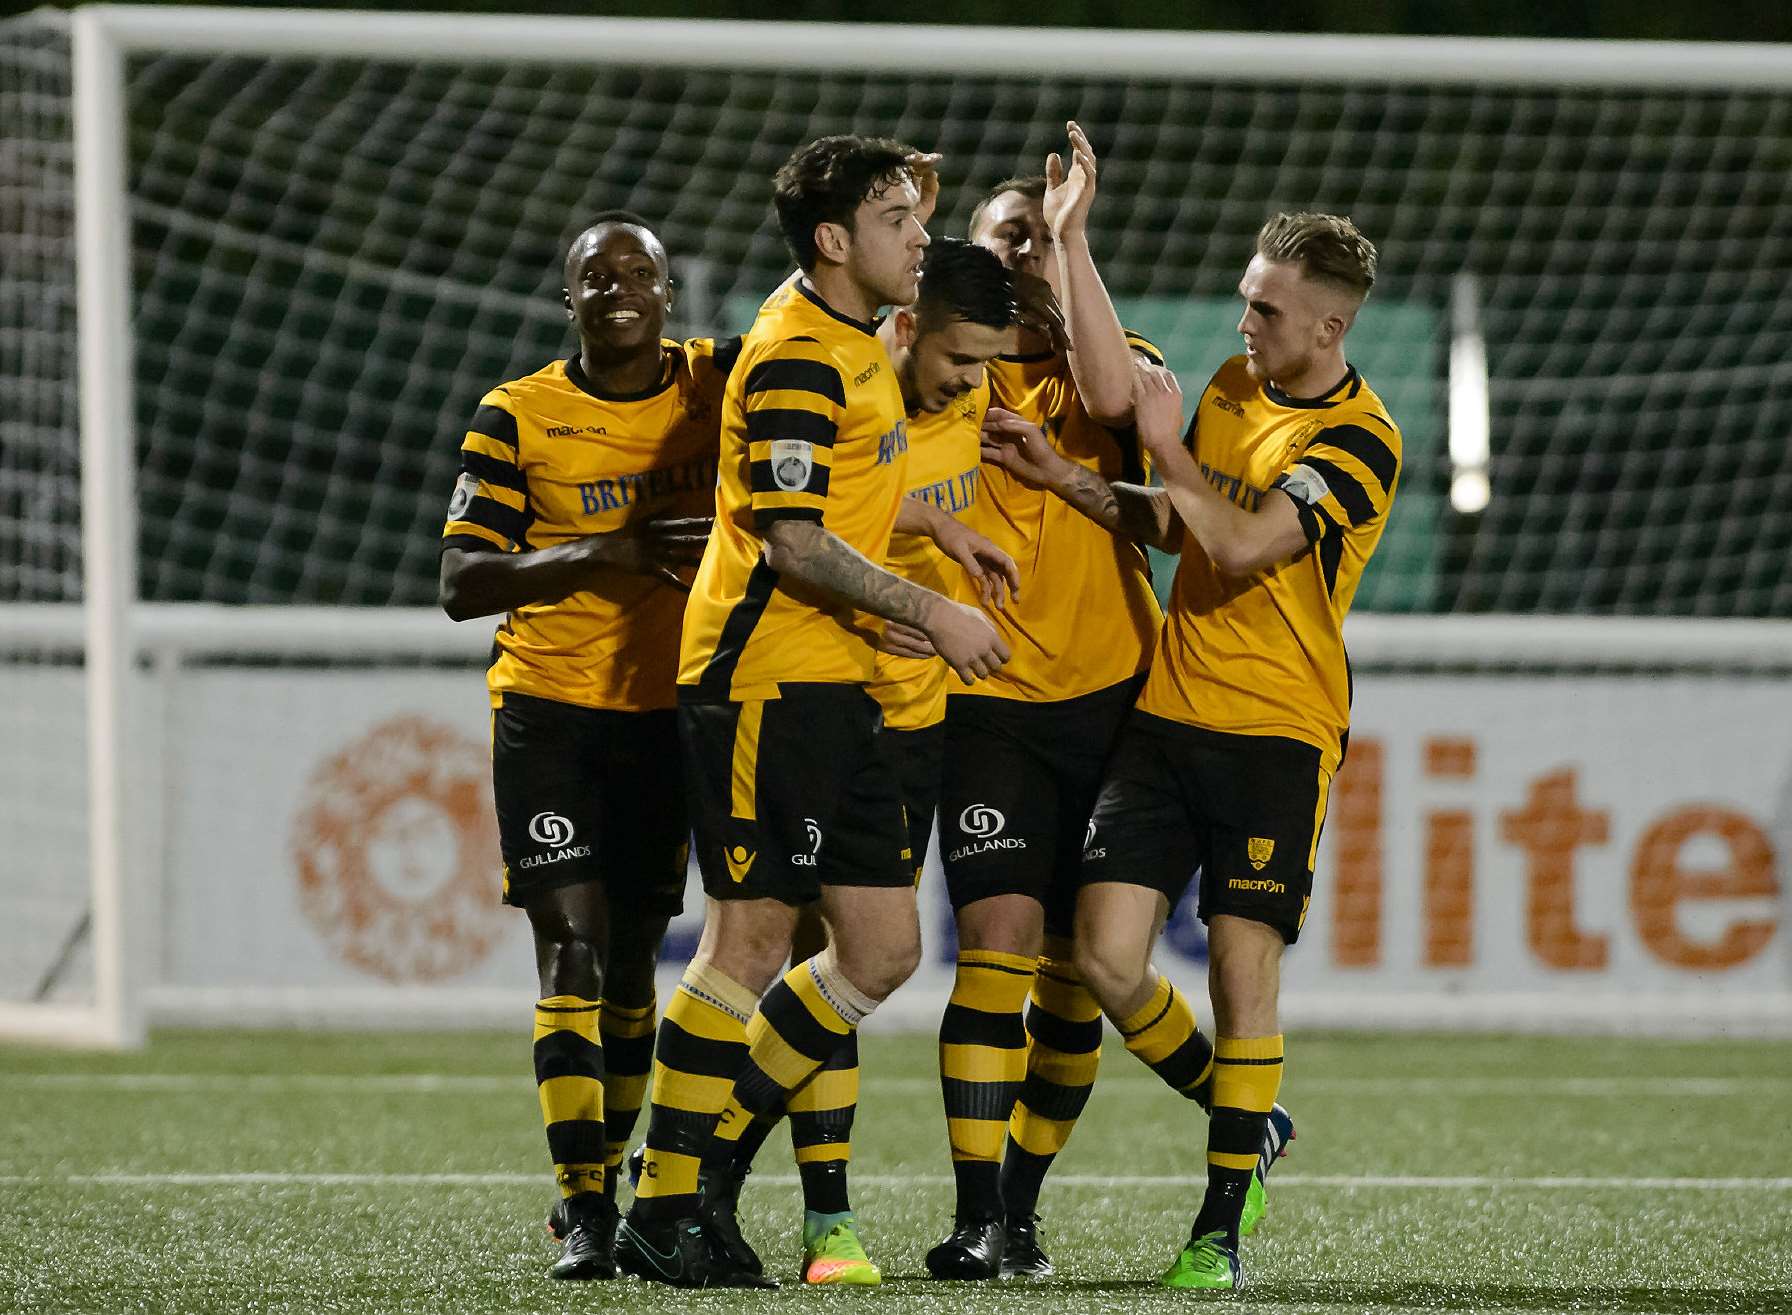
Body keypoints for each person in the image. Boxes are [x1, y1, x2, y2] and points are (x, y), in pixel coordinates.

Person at [615, 135, 1011, 1290]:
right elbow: (790, 540)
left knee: (884, 949)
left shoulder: (848, 333)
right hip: (761, 680)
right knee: (748, 940)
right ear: (835, 243)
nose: (919, 239)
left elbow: (836, 505)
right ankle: (662, 1200)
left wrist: (927, 532)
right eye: (895, 220)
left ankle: (704, 1168)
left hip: (831, 682)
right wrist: (931, 612)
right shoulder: (798, 355)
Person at [1022, 211, 1397, 1291]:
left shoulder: (1362, 440)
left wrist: (1164, 441)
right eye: (1245, 297)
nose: (1244, 323)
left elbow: (1236, 542)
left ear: (1328, 328)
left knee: (1242, 975)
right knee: (1100, 955)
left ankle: (1216, 1230)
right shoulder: (1233, 391)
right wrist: (1067, 480)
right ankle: (1254, 1120)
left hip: (1276, 734)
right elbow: (1183, 526)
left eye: (1267, 310)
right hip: (1169, 712)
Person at [438, 211, 731, 1281]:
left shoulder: (719, 385)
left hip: (669, 716)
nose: (616, 288)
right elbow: (462, 584)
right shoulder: (517, 415)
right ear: (568, 300)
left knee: (631, 973)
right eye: (593, 276)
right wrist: (599, 549)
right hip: (550, 711)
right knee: (570, 944)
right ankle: (584, 1205)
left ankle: (604, 1181)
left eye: (636, 272)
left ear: (668, 292)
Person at [924, 122, 1166, 1280]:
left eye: (1041, 236)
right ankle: (975, 1214)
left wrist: (1069, 251)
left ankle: (1021, 1205)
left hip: (1117, 700)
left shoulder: (1109, 362)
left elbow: (1120, 400)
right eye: (1005, 237)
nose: (1022, 253)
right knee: (996, 948)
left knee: (1076, 973)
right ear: (966, 254)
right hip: (987, 705)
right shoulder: (931, 377)